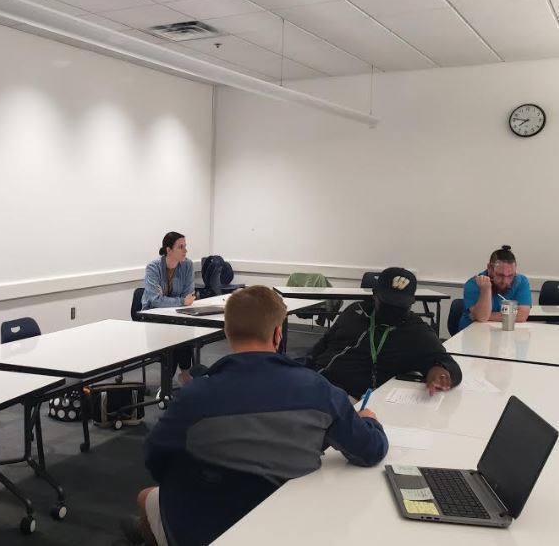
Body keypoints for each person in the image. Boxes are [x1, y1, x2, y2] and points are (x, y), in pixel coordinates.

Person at [121, 286, 388, 546]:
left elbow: (155, 459)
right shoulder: (319, 390)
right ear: (277, 334)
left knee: (147, 496)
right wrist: (369, 420)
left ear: (227, 332)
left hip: (206, 526)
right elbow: (370, 451)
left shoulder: (195, 395)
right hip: (288, 527)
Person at [309, 267, 462, 400]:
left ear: (412, 302)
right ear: (374, 295)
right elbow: (323, 344)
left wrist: (439, 370)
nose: (394, 309)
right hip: (314, 381)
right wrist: (304, 366)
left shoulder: (416, 330)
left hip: (346, 397)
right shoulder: (355, 311)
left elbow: (450, 366)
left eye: (401, 305)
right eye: (388, 303)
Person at [141, 232, 196, 384]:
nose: (185, 250)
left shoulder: (187, 265)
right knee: (174, 334)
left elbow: (189, 295)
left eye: (185, 246)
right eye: (181, 247)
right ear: (169, 250)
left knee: (182, 330)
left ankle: (175, 379)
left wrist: (167, 299)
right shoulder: (153, 267)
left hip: (177, 314)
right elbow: (155, 300)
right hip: (152, 315)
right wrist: (181, 301)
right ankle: (176, 379)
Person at [460, 245, 532, 331]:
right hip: (474, 332)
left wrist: (487, 315)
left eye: (510, 275)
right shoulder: (474, 283)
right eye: (500, 275)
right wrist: (486, 289)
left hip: (504, 332)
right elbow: (482, 317)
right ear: (489, 268)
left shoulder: (521, 281)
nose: (505, 281)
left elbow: (522, 316)